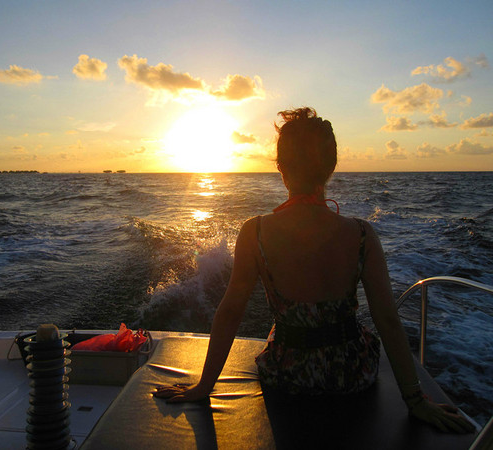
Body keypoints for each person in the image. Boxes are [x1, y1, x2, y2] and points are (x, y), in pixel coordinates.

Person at [154, 107, 475, 434]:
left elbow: (231, 311)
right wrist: (415, 400)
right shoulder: (362, 234)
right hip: (352, 372)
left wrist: (204, 386)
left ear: (281, 167)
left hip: (287, 373)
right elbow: (388, 320)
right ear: (331, 167)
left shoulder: (255, 232)